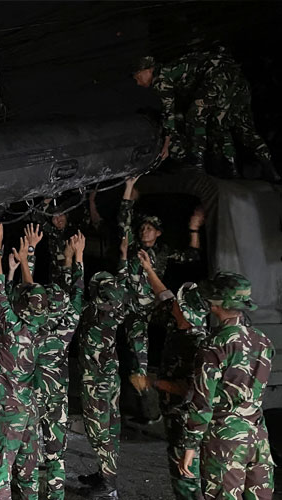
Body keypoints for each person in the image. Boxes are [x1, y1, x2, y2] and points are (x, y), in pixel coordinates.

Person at [179, 272, 275, 499]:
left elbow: (202, 401)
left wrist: (190, 446)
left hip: (225, 441)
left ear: (216, 305)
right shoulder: (262, 340)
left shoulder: (213, 346)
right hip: (258, 437)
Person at [133, 51, 278, 180]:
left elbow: (168, 113)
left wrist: (166, 144)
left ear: (148, 70)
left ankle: (197, 162)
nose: (138, 83)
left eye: (138, 77)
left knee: (195, 116)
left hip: (217, 78)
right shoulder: (174, 69)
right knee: (238, 127)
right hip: (237, 81)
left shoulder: (161, 78)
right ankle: (267, 168)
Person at [119, 176, 203, 397]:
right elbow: (124, 220)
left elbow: (192, 255)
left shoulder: (164, 251)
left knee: (184, 325)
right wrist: (128, 188)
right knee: (138, 352)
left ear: (158, 233)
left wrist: (194, 229)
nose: (145, 231)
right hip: (133, 307)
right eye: (143, 228)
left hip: (156, 307)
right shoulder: (132, 249)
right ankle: (143, 392)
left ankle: (182, 376)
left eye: (150, 228)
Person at [137, 249, 209, 500]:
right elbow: (164, 294)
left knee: (186, 476)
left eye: (180, 304)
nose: (175, 304)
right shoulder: (177, 321)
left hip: (186, 419)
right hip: (173, 415)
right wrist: (148, 268)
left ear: (188, 314)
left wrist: (154, 382)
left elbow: (192, 389)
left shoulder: (198, 345)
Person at [0, 222, 48, 500]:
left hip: (9, 410)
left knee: (1, 470)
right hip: (29, 409)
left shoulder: (13, 326)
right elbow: (27, 291)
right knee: (29, 470)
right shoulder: (38, 326)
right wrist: (26, 256)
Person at [35, 232, 85, 500]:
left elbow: (24, 290)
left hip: (32, 397)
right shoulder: (67, 327)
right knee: (56, 456)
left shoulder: (31, 326)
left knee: (28, 457)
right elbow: (77, 293)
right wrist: (77, 257)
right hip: (56, 400)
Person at [78, 237, 128, 499]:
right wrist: (122, 258)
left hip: (97, 380)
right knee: (111, 429)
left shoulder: (92, 312)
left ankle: (108, 482)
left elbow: (77, 297)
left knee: (99, 430)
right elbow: (121, 289)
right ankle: (105, 473)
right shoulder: (117, 311)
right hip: (110, 377)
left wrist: (76, 259)